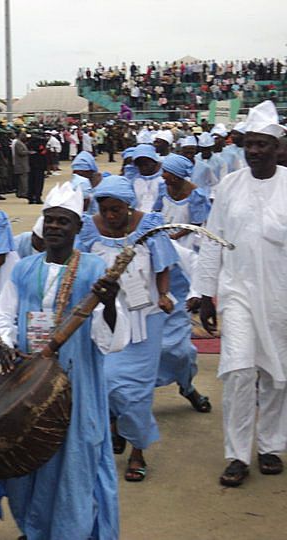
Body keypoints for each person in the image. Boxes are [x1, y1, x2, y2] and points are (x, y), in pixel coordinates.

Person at [0, 183, 129, 540]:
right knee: (24, 457)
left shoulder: (95, 270)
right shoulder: (24, 268)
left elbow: (114, 338)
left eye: (64, 222)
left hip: (76, 389)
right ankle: (32, 528)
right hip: (27, 384)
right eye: (50, 221)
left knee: (73, 465)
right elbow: (3, 315)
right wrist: (2, 343)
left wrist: (108, 304)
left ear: (78, 228)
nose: (55, 228)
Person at [194, 101, 287, 487]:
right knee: (237, 371)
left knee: (276, 375)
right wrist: (203, 293)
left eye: (262, 144)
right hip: (237, 294)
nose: (254, 151)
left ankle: (269, 445)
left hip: (280, 297)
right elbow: (212, 242)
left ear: (277, 146)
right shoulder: (228, 186)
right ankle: (236, 454)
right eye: (249, 143)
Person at [77, 175, 178, 482]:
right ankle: (113, 426)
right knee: (105, 382)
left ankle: (137, 449)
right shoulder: (88, 229)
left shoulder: (149, 226)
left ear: (129, 207)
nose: (110, 216)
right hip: (103, 321)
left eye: (116, 210)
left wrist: (162, 294)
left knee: (136, 393)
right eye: (105, 209)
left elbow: (162, 266)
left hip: (146, 320)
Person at [155, 241, 212, 412]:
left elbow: (196, 263)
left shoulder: (163, 242)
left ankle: (187, 387)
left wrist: (195, 294)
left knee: (182, 352)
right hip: (135, 307)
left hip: (174, 304)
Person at [152, 153, 210, 251]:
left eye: (165, 172)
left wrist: (176, 236)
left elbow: (196, 223)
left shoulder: (197, 196)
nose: (162, 175)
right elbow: (156, 211)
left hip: (186, 242)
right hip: (164, 237)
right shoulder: (163, 188)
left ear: (175, 176)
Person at [193, 132, 226, 199]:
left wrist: (213, 196)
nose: (205, 151)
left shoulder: (220, 162)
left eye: (207, 148)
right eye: (203, 149)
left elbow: (223, 181)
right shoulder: (194, 159)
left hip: (214, 196)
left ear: (212, 148)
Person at [132, 144, 163, 213]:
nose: (143, 166)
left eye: (146, 163)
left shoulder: (163, 180)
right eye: (139, 163)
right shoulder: (134, 180)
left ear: (154, 162)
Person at [13, 131, 31, 199]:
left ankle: (21, 192)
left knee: (22, 180)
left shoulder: (21, 143)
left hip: (23, 164)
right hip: (21, 164)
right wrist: (29, 152)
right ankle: (23, 193)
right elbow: (21, 152)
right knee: (23, 180)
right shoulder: (18, 143)